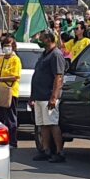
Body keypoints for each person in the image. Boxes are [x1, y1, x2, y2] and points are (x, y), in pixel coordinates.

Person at [31, 30, 68, 162]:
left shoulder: (56, 55)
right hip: (39, 96)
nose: (39, 39)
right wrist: (32, 97)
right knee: (43, 125)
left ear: (48, 39)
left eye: (42, 37)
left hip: (49, 96)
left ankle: (59, 151)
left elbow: (58, 77)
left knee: (52, 123)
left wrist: (54, 97)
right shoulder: (44, 54)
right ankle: (45, 150)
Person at [0, 36, 22, 148]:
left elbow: (14, 76)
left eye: (9, 45)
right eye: (5, 45)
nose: (7, 48)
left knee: (10, 118)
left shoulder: (16, 60)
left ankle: (13, 142)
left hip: (10, 92)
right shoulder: (0, 59)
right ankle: (0, 140)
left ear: (13, 46)